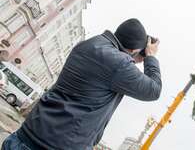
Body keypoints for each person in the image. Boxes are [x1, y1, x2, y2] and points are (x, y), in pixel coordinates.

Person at [1, 18, 161, 150]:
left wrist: (137, 53)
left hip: (26, 134)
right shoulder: (119, 64)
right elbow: (153, 90)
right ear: (134, 50)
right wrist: (150, 57)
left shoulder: (89, 44)